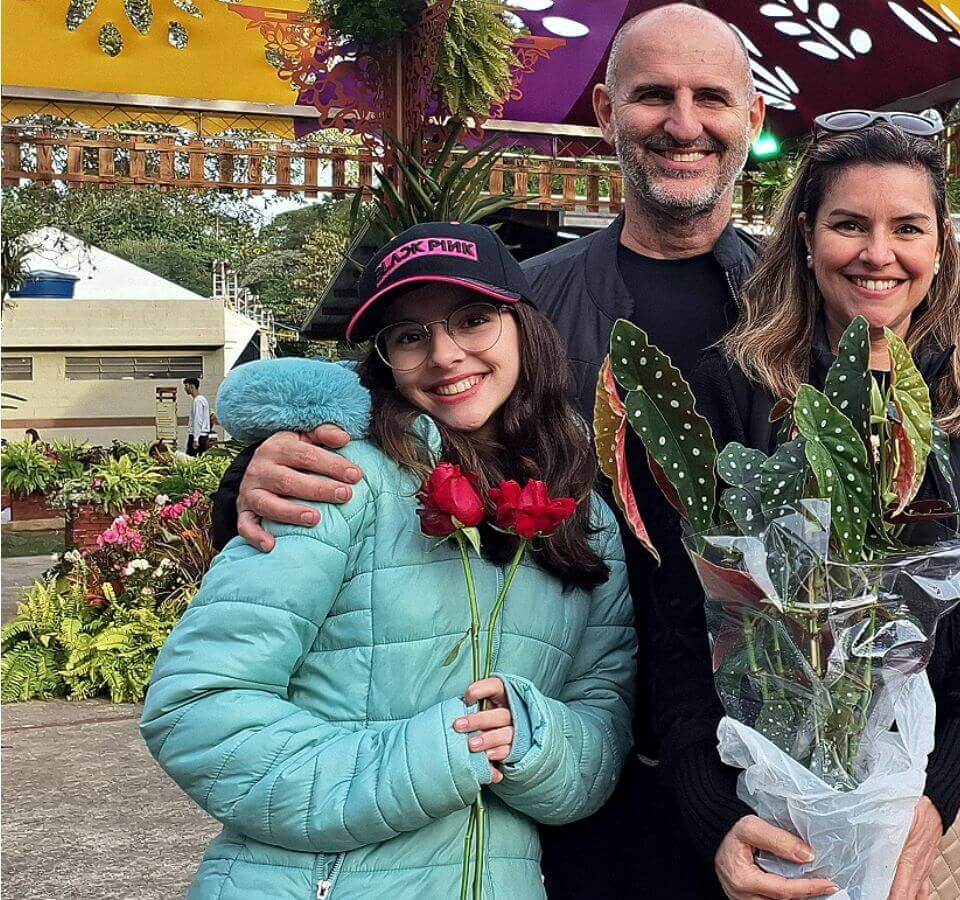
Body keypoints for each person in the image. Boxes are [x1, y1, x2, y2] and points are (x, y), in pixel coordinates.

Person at [202, 6, 763, 896]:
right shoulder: (515, 306)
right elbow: (385, 410)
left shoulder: (799, 305)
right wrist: (249, 475)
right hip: (556, 791)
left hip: (759, 761)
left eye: (712, 98)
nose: (683, 123)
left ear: (753, 120)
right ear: (605, 111)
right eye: (654, 95)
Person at [140, 223, 635, 897]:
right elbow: (195, 708)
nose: (444, 354)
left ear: (524, 326)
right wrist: (430, 756)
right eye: (409, 335)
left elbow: (601, 727)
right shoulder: (334, 482)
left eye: (474, 319)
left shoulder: (583, 517)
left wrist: (536, 739)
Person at [656, 114, 960, 900]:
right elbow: (669, 623)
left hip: (927, 827)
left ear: (940, 246)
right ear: (806, 237)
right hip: (761, 823)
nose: (878, 254)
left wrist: (936, 797)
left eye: (907, 228)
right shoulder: (727, 394)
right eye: (848, 225)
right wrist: (714, 816)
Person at [183, 377, 212, 454]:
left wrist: (195, 439)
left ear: (192, 386)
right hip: (202, 435)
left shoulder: (198, 401)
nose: (185, 389)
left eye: (186, 386)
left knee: (190, 460)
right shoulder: (202, 399)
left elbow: (198, 420)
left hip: (198, 436)